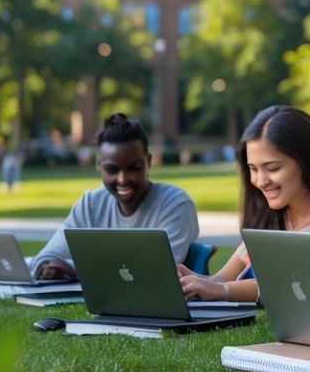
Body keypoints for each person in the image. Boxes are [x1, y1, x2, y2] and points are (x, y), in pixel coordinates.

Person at [178, 105, 310, 303]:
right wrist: (192, 281)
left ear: (306, 162)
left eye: (272, 168)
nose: (261, 181)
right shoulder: (270, 214)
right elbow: (222, 279)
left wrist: (225, 291)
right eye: (253, 169)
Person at [32, 114, 199, 280]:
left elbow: (153, 271)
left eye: (134, 168)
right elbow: (45, 257)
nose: (123, 179)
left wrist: (74, 269)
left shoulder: (175, 204)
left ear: (148, 161)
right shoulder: (90, 204)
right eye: (112, 169)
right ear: (99, 165)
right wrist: (47, 267)